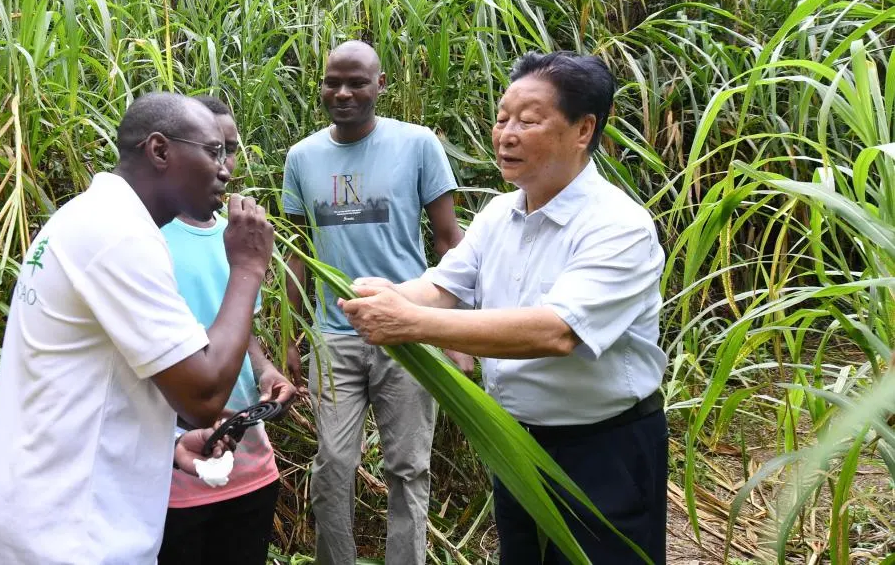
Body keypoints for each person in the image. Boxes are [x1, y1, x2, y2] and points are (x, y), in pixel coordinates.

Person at [340, 51, 668, 564]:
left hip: (605, 449)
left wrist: (412, 322)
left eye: (529, 121)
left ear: (583, 130)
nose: (506, 134)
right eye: (502, 118)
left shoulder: (618, 226)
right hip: (514, 444)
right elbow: (443, 287)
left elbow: (556, 332)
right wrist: (384, 295)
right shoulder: (498, 214)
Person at [0, 93, 274, 564]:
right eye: (212, 151)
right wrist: (248, 267)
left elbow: (96, 379)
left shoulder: (87, 219)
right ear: (160, 150)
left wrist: (171, 443)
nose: (226, 170)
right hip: (72, 539)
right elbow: (204, 396)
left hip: (36, 522)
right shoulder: (119, 237)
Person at [282, 40, 469, 565]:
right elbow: (299, 255)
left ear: (380, 86)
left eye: (356, 82)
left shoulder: (417, 145)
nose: (342, 93)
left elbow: (448, 241)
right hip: (334, 337)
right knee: (333, 466)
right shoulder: (302, 157)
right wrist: (291, 337)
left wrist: (456, 334)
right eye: (331, 82)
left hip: (407, 334)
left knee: (408, 469)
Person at [158, 96, 296, 565]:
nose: (224, 166)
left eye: (231, 150)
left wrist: (266, 373)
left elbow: (244, 332)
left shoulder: (237, 236)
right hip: (175, 467)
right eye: (212, 150)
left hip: (250, 462)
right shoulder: (147, 240)